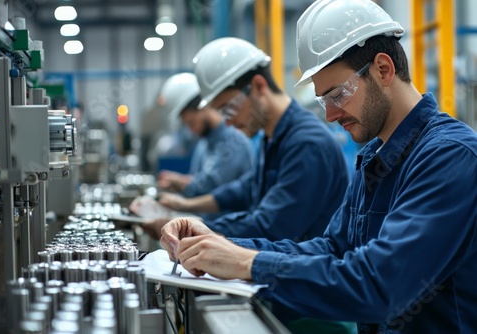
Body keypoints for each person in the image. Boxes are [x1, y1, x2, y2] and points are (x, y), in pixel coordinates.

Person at [159, 0, 477, 333]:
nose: (330, 115)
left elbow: (381, 284)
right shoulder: (374, 156)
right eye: (325, 100)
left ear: (383, 69)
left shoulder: (449, 157)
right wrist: (221, 243)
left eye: (338, 94)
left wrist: (247, 263)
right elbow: (332, 247)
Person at [154, 37, 349, 242]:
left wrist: (194, 229)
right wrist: (184, 206)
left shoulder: (307, 143)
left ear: (257, 86)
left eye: (228, 109)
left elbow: (271, 226)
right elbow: (245, 189)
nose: (228, 123)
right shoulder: (273, 137)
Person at [155, 72, 253, 198]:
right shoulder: (203, 143)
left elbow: (213, 187)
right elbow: (198, 179)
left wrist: (180, 183)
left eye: (191, 123)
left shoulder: (234, 140)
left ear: (203, 107)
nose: (191, 130)